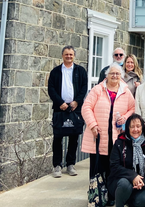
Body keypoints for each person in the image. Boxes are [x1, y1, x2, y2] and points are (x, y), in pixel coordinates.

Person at [82, 63, 136, 187]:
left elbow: (132, 108)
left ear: (121, 76)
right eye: (112, 73)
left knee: (114, 166)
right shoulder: (98, 89)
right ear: (107, 75)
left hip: (117, 136)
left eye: (117, 73)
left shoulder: (125, 91)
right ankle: (97, 195)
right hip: (99, 134)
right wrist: (92, 125)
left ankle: (112, 194)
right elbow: (86, 107)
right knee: (98, 166)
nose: (115, 76)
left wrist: (125, 117)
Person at [47, 46, 88, 178]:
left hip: (75, 109)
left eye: (71, 54)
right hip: (60, 108)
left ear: (74, 56)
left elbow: (83, 88)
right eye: (66, 54)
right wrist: (60, 103)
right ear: (62, 56)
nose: (69, 56)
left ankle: (70, 164)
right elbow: (51, 89)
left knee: (74, 137)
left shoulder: (80, 71)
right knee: (57, 137)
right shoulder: (56, 72)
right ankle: (57, 165)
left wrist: (76, 101)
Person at [108, 114, 145, 207]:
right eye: (132, 126)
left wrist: (143, 182)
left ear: (142, 127)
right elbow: (114, 166)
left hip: (139, 184)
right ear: (127, 128)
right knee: (124, 184)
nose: (135, 129)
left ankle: (132, 206)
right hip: (119, 183)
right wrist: (133, 176)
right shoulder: (119, 143)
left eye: (138, 126)